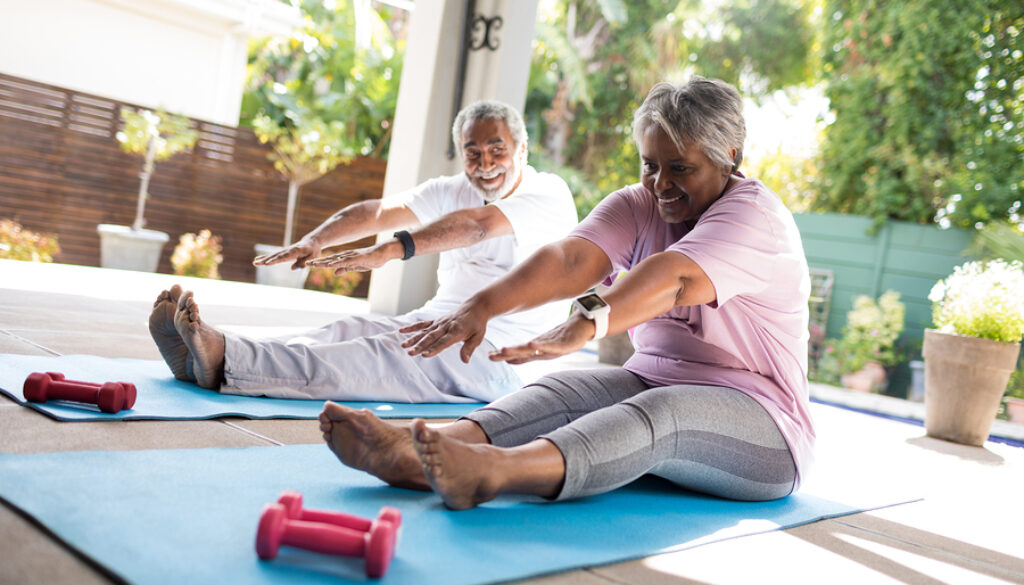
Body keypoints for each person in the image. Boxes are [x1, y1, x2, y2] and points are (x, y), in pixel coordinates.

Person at [318, 77, 815, 510]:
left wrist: (584, 322)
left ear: (729, 157)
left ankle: (490, 473)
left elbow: (675, 277)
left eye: (679, 168)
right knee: (565, 389)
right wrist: (480, 308)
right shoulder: (640, 203)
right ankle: (417, 451)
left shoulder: (754, 217)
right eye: (650, 165)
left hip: (765, 428)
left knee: (660, 414)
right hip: (656, 381)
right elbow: (571, 260)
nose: (660, 183)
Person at [148, 100, 578, 403]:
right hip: (437, 321)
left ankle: (226, 359)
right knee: (348, 332)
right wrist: (315, 240)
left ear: (522, 149)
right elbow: (379, 211)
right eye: (473, 152)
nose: (485, 164)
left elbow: (477, 226)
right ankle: (206, 359)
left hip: (503, 355)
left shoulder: (549, 194)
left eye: (497, 150)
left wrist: (394, 250)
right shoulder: (453, 189)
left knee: (375, 356)